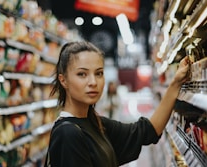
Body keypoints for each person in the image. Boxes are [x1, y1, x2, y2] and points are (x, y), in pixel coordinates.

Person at [45, 41, 190, 167]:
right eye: (82, 74)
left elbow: (147, 131)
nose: (93, 82)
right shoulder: (68, 133)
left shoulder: (96, 124)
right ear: (63, 80)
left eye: (99, 73)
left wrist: (176, 83)